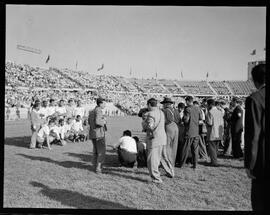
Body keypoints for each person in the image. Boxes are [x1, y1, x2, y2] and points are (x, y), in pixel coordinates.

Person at [244, 64, 265, 211]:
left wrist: (249, 164)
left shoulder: (255, 99)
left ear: (254, 80)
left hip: (263, 164)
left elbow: (254, 135)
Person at [142, 98, 174, 184]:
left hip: (154, 139)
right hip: (162, 138)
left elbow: (150, 126)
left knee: (152, 160)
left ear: (149, 104)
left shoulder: (151, 114)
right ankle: (170, 171)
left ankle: (156, 179)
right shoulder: (161, 112)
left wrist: (144, 122)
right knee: (163, 157)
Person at [178, 96, 202, 170]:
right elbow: (201, 119)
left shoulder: (187, 109)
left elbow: (186, 120)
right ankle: (195, 164)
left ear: (188, 101)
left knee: (185, 148)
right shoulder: (198, 108)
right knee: (195, 149)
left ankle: (181, 164)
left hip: (189, 131)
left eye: (186, 101)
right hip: (196, 131)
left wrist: (183, 120)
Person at [88, 98, 107, 174]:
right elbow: (98, 122)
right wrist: (104, 121)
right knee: (101, 151)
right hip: (99, 134)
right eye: (104, 103)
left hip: (93, 133)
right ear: (100, 104)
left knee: (95, 151)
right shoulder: (98, 110)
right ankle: (98, 168)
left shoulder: (92, 111)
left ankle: (94, 166)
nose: (105, 105)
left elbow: (89, 121)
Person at [160, 97, 179, 167]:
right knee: (174, 146)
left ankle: (167, 163)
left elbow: (168, 120)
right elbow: (178, 119)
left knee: (167, 146)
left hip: (169, 127)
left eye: (163, 104)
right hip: (176, 127)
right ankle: (172, 162)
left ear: (166, 104)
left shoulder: (165, 110)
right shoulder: (175, 110)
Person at [205, 98, 224, 166]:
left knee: (212, 148)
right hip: (218, 132)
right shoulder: (219, 112)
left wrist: (206, 122)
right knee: (216, 148)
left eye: (207, 104)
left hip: (212, 132)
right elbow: (222, 123)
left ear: (210, 104)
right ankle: (214, 160)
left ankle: (214, 162)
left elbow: (210, 123)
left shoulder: (210, 112)